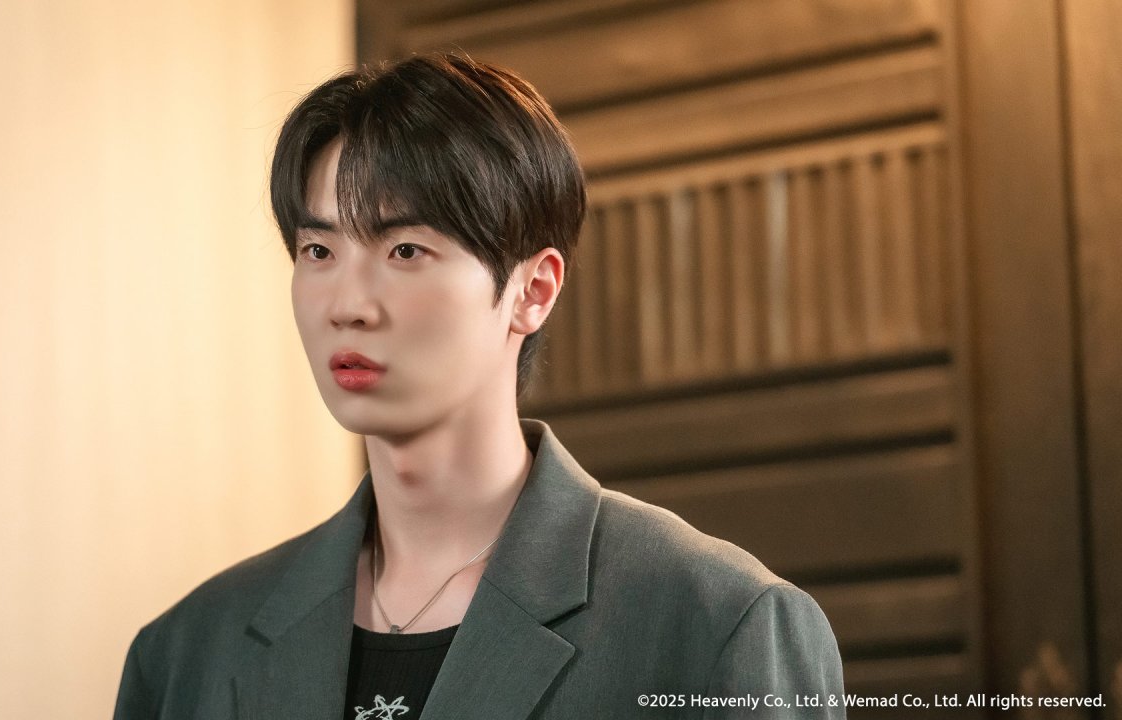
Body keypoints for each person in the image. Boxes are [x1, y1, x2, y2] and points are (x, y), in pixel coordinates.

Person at [113, 53, 845, 720]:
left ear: (533, 291)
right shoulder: (186, 654)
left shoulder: (716, 624)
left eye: (405, 249)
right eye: (318, 250)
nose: (347, 304)